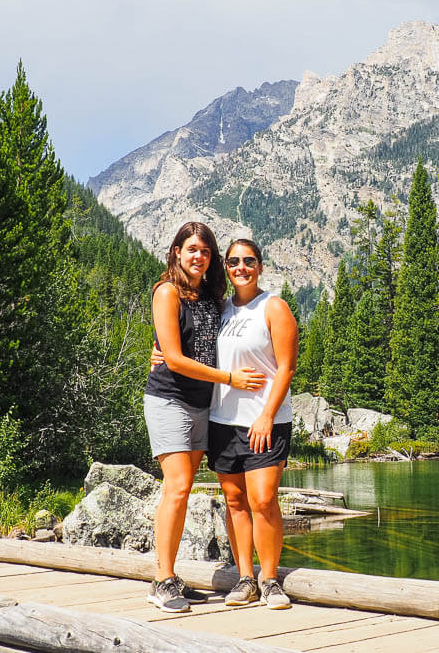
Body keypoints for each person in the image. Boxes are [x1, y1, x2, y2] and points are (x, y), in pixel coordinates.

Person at [143, 223, 266, 613]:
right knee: (177, 488)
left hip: (203, 405)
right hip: (169, 400)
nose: (199, 257)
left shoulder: (211, 296)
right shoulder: (167, 292)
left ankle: (171, 576)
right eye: (192, 249)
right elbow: (176, 359)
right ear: (176, 252)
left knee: (184, 487)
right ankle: (162, 580)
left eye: (206, 251)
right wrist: (230, 379)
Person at [210, 239, 298, 610]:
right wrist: (158, 352)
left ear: (260, 266)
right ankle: (245, 578)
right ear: (226, 267)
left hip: (266, 422)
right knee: (234, 500)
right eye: (233, 261)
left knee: (263, 500)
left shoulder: (273, 307)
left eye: (248, 260)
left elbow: (286, 367)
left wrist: (265, 416)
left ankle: (271, 579)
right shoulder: (220, 310)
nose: (241, 267)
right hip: (222, 421)